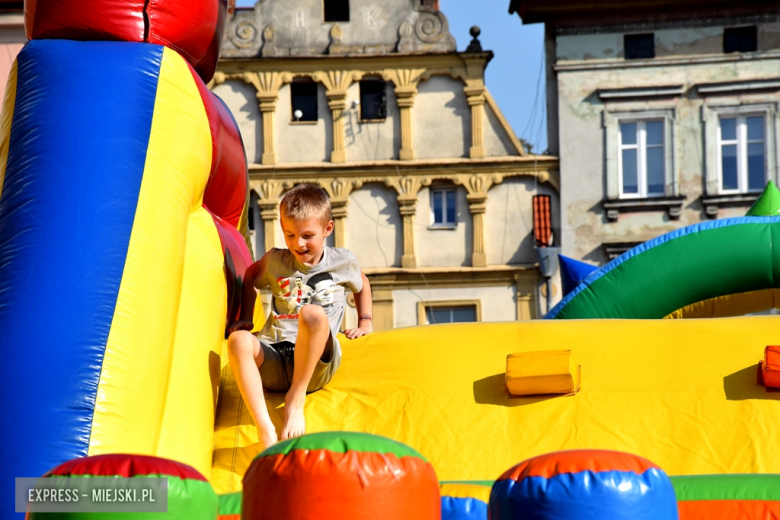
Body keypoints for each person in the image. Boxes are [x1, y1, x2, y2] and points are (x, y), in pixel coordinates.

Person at [226, 183, 373, 448]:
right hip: (275, 360)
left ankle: (296, 399)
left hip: (315, 366)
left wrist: (365, 321)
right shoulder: (276, 261)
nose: (298, 244)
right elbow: (249, 275)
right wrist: (245, 317)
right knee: (237, 340)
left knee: (313, 314)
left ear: (328, 229)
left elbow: (362, 282)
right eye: (289, 235)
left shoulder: (343, 261)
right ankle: (265, 428)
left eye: (307, 235)